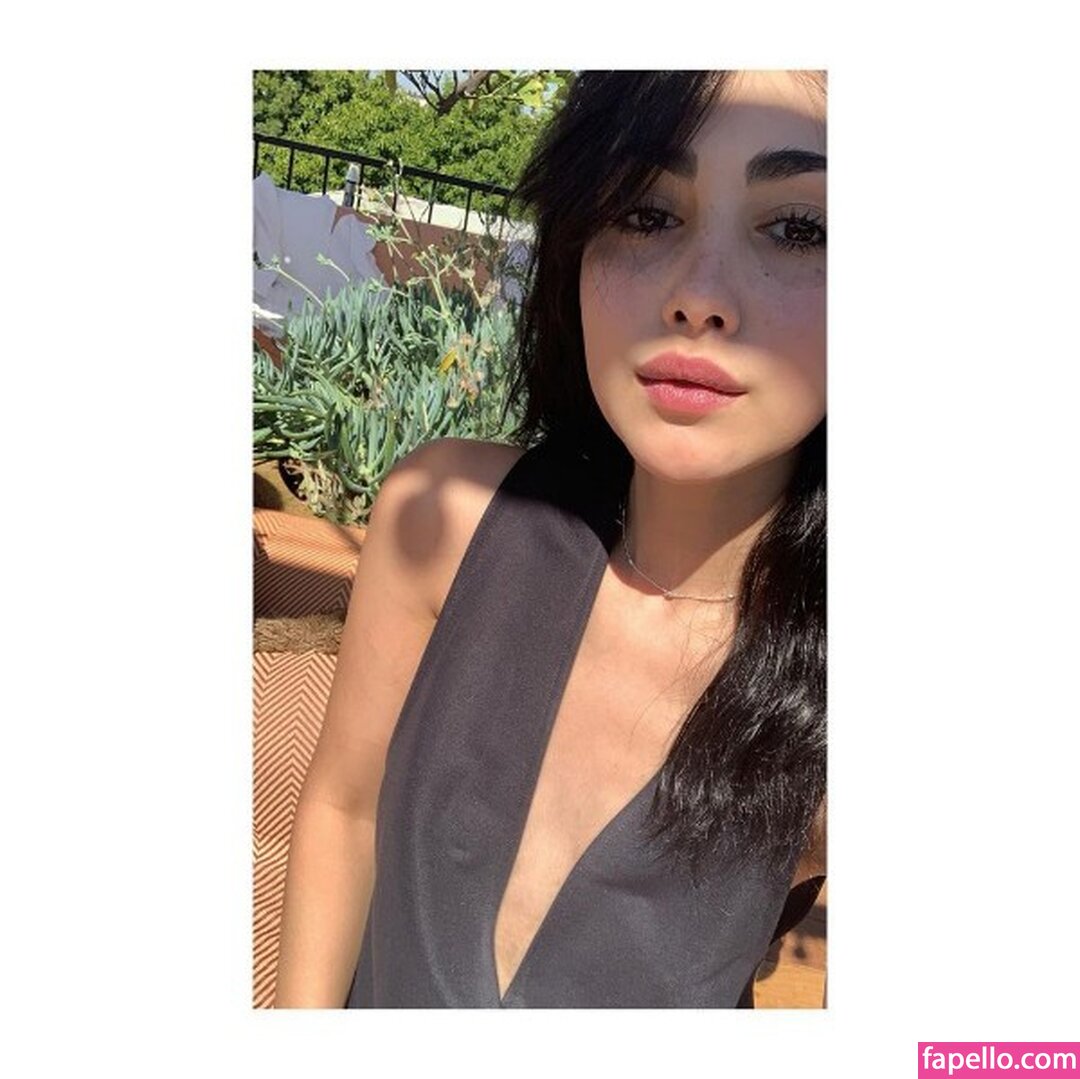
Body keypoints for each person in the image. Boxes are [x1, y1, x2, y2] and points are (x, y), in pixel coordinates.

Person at [273, 69, 827, 1008]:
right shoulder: (445, 521)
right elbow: (344, 810)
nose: (699, 297)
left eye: (801, 229)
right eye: (646, 213)